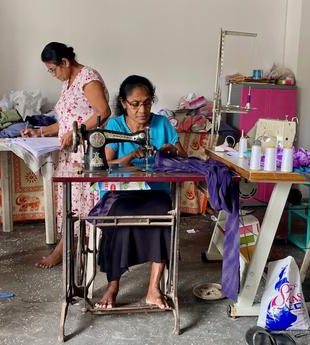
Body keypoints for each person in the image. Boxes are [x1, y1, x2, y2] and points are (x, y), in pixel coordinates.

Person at [91, 75, 187, 310]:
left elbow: (183, 155)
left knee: (163, 214)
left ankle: (153, 289)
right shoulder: (115, 126)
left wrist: (171, 150)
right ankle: (113, 285)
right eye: (135, 104)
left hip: (155, 192)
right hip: (122, 194)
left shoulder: (161, 123)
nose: (142, 109)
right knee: (120, 219)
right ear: (124, 103)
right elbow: (108, 163)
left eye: (146, 103)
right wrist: (130, 157)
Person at [21, 42, 111, 268]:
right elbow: (67, 121)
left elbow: (103, 112)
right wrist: (40, 132)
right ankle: (72, 247)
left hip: (86, 152)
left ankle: (70, 250)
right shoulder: (68, 82)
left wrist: (77, 132)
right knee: (71, 204)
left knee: (83, 204)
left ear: (65, 62)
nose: (52, 74)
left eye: (53, 69)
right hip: (70, 153)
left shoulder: (88, 78)